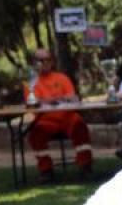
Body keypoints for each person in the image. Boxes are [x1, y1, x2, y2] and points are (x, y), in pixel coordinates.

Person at [26, 48, 94, 182]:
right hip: (45, 119)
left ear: (52, 61)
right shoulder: (31, 82)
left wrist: (58, 100)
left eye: (47, 59)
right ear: (34, 62)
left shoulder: (62, 78)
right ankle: (46, 170)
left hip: (66, 117)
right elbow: (32, 103)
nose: (44, 63)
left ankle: (85, 166)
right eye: (40, 60)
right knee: (35, 131)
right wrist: (53, 100)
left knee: (79, 123)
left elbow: (72, 98)